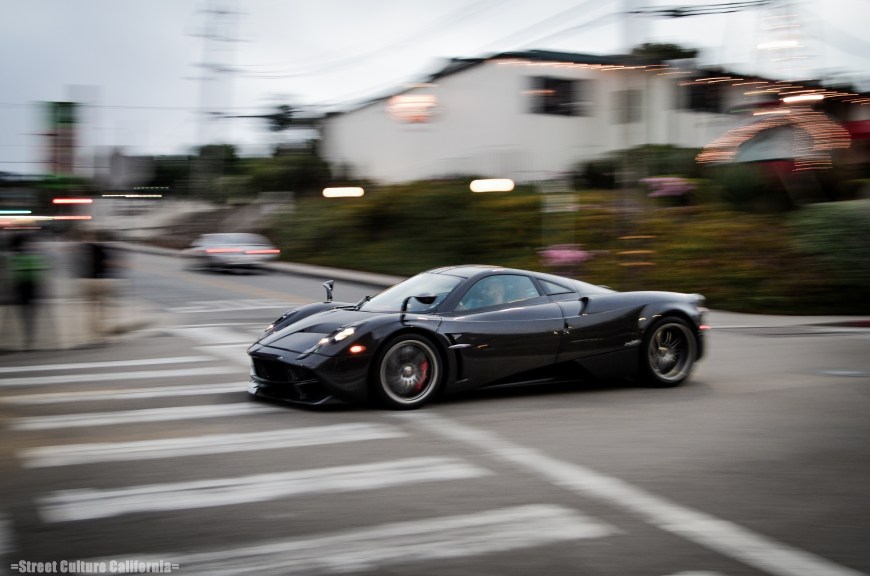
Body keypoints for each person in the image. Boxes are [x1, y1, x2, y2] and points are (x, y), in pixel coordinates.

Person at [9, 233, 48, 350]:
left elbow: (13, 273)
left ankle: (27, 336)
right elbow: (40, 273)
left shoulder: (14, 257)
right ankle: (30, 336)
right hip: (32, 286)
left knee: (24, 314)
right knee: (31, 313)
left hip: (20, 287)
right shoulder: (34, 257)